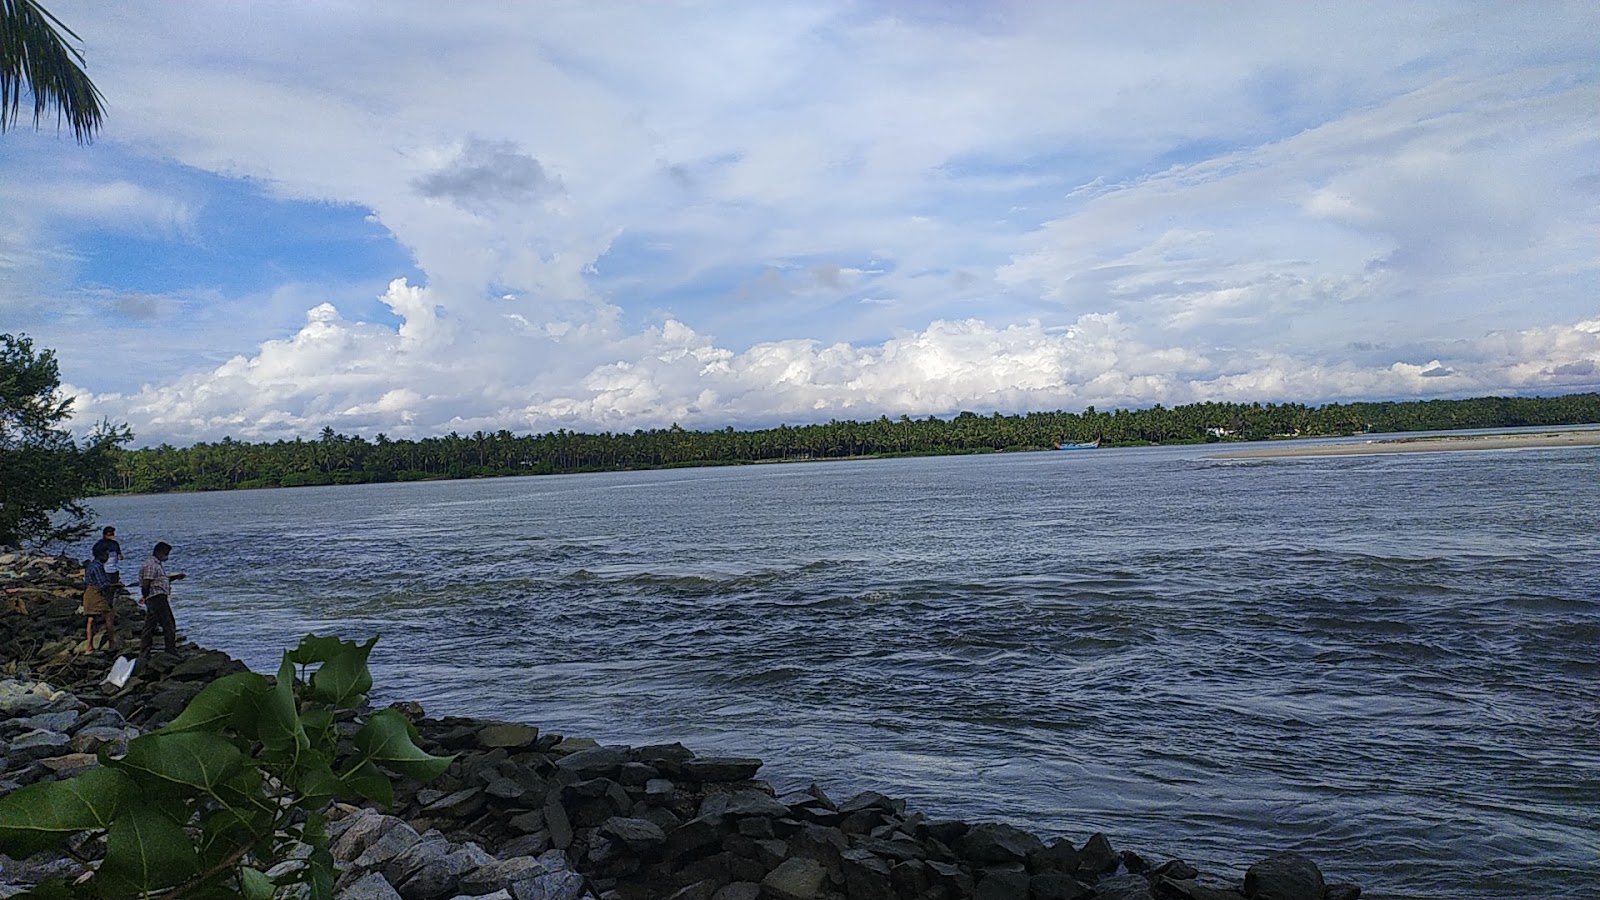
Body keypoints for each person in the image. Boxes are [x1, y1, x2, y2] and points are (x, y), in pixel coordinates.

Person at [137, 541, 186, 661]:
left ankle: (145, 651)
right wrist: (145, 596)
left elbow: (159, 581)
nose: (167, 556)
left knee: (151, 625)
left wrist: (174, 577)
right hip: (156, 598)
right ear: (159, 552)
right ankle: (170, 649)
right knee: (168, 623)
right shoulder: (151, 565)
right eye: (166, 553)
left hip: (156, 597)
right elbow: (146, 583)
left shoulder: (156, 565)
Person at [82, 545, 117, 653]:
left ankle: (89, 646)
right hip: (96, 594)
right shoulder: (98, 566)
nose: (107, 557)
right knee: (109, 615)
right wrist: (115, 585)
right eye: (106, 554)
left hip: (88, 593)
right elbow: (103, 584)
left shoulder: (91, 565)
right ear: (101, 555)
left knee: (91, 619)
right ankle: (111, 644)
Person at [92, 526, 125, 597]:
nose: (112, 536)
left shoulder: (115, 543)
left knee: (115, 586)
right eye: (109, 534)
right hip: (104, 568)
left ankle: (114, 598)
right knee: (107, 587)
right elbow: (96, 554)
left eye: (112, 534)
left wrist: (120, 556)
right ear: (105, 535)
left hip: (114, 568)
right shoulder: (100, 544)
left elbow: (119, 553)